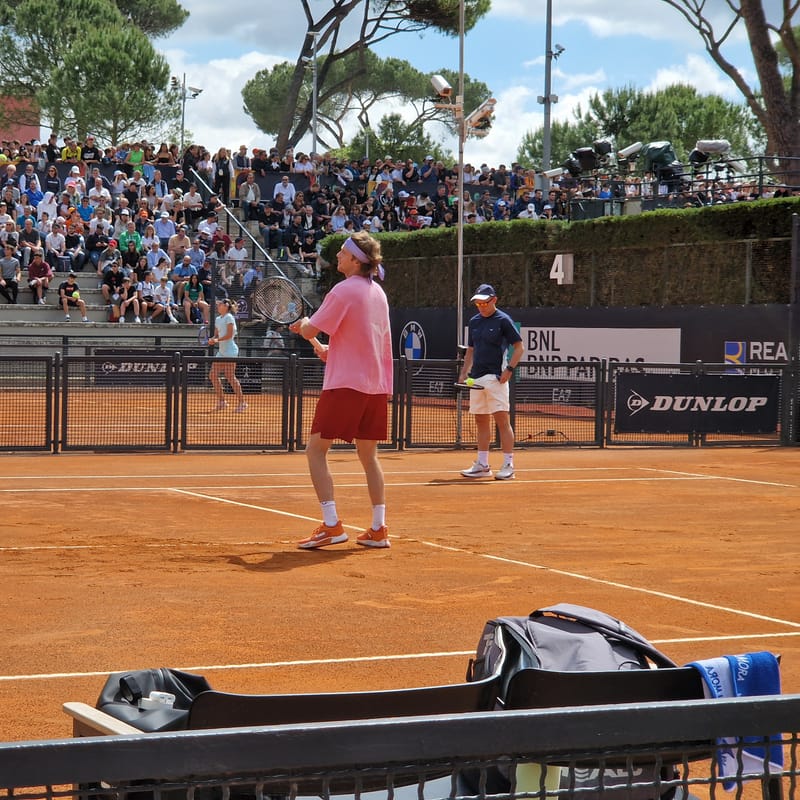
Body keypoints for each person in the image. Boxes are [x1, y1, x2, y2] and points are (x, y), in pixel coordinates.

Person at [288, 231, 392, 550]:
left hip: (346, 384)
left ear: (355, 261)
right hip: (376, 386)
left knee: (315, 451)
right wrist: (327, 350)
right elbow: (365, 340)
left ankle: (332, 525)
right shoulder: (378, 293)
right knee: (369, 456)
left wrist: (305, 325)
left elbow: (310, 328)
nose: (337, 257)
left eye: (342, 253)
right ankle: (378, 529)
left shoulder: (343, 290)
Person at [458, 283, 524, 481]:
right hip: (476, 378)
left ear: (494, 300)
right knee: (480, 420)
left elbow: (519, 347)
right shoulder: (474, 322)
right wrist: (464, 373)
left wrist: (509, 370)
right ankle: (482, 465)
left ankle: (508, 465)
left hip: (496, 378)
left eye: (484, 303)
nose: (481, 306)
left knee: (502, 421)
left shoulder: (503, 320)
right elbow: (471, 350)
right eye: (478, 303)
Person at [208, 297, 246, 413]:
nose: (218, 306)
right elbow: (216, 334)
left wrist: (217, 340)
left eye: (220, 304)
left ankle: (242, 403)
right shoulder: (218, 319)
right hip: (221, 352)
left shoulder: (229, 317)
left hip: (230, 351)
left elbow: (229, 335)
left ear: (226, 306)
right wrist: (212, 339)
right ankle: (222, 402)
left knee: (230, 377)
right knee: (213, 375)